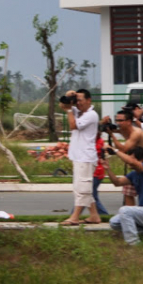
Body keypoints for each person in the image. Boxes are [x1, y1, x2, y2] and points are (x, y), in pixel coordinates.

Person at [103, 146, 143, 245]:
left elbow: (132, 162)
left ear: (141, 159)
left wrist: (115, 151)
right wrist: (108, 169)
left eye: (131, 157)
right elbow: (117, 182)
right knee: (114, 222)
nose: (128, 160)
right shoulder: (134, 174)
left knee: (125, 210)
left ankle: (133, 243)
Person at [103, 109, 143, 205]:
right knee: (128, 190)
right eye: (116, 120)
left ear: (128, 122)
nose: (118, 123)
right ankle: (131, 214)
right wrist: (104, 124)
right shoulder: (123, 130)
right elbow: (102, 128)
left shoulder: (136, 133)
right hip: (138, 162)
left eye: (120, 121)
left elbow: (124, 149)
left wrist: (111, 135)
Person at [59, 89, 101, 225]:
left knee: (82, 189)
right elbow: (63, 105)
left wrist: (70, 110)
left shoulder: (91, 115)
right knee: (81, 187)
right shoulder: (79, 112)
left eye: (80, 100)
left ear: (89, 100)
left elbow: (73, 125)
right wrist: (68, 96)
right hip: (78, 156)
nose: (78, 103)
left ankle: (75, 217)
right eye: (76, 101)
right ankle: (94, 216)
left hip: (86, 157)